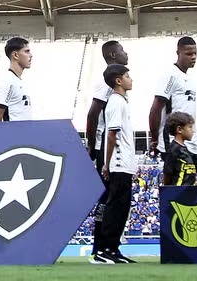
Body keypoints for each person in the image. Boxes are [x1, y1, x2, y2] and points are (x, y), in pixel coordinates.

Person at [84, 40, 128, 261]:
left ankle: (105, 247)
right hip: (105, 148)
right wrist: (92, 147)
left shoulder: (116, 86)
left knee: (108, 199)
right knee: (110, 200)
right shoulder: (107, 85)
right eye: (122, 50)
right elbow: (92, 114)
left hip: (106, 148)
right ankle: (102, 247)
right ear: (112, 54)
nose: (126, 53)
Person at [97, 64, 136, 264]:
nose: (131, 79)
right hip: (118, 164)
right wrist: (107, 163)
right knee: (115, 207)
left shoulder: (121, 101)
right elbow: (111, 134)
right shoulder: (115, 102)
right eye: (127, 76)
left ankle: (113, 249)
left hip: (124, 164)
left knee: (122, 208)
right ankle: (104, 250)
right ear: (118, 81)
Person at [148, 37, 197, 164]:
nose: (193, 57)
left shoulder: (189, 78)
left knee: (190, 182)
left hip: (190, 144)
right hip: (174, 143)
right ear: (178, 53)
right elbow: (156, 108)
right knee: (176, 182)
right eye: (188, 54)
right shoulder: (171, 75)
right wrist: (155, 139)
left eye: (195, 53)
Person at [0, 37, 33, 121]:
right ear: (15, 55)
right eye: (26, 51)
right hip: (14, 133)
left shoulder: (18, 80)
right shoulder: (7, 80)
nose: (31, 55)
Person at [162, 112, 197, 186]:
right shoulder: (173, 150)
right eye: (190, 127)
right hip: (178, 193)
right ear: (179, 129)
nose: (193, 131)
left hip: (190, 193)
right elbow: (167, 174)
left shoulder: (186, 150)